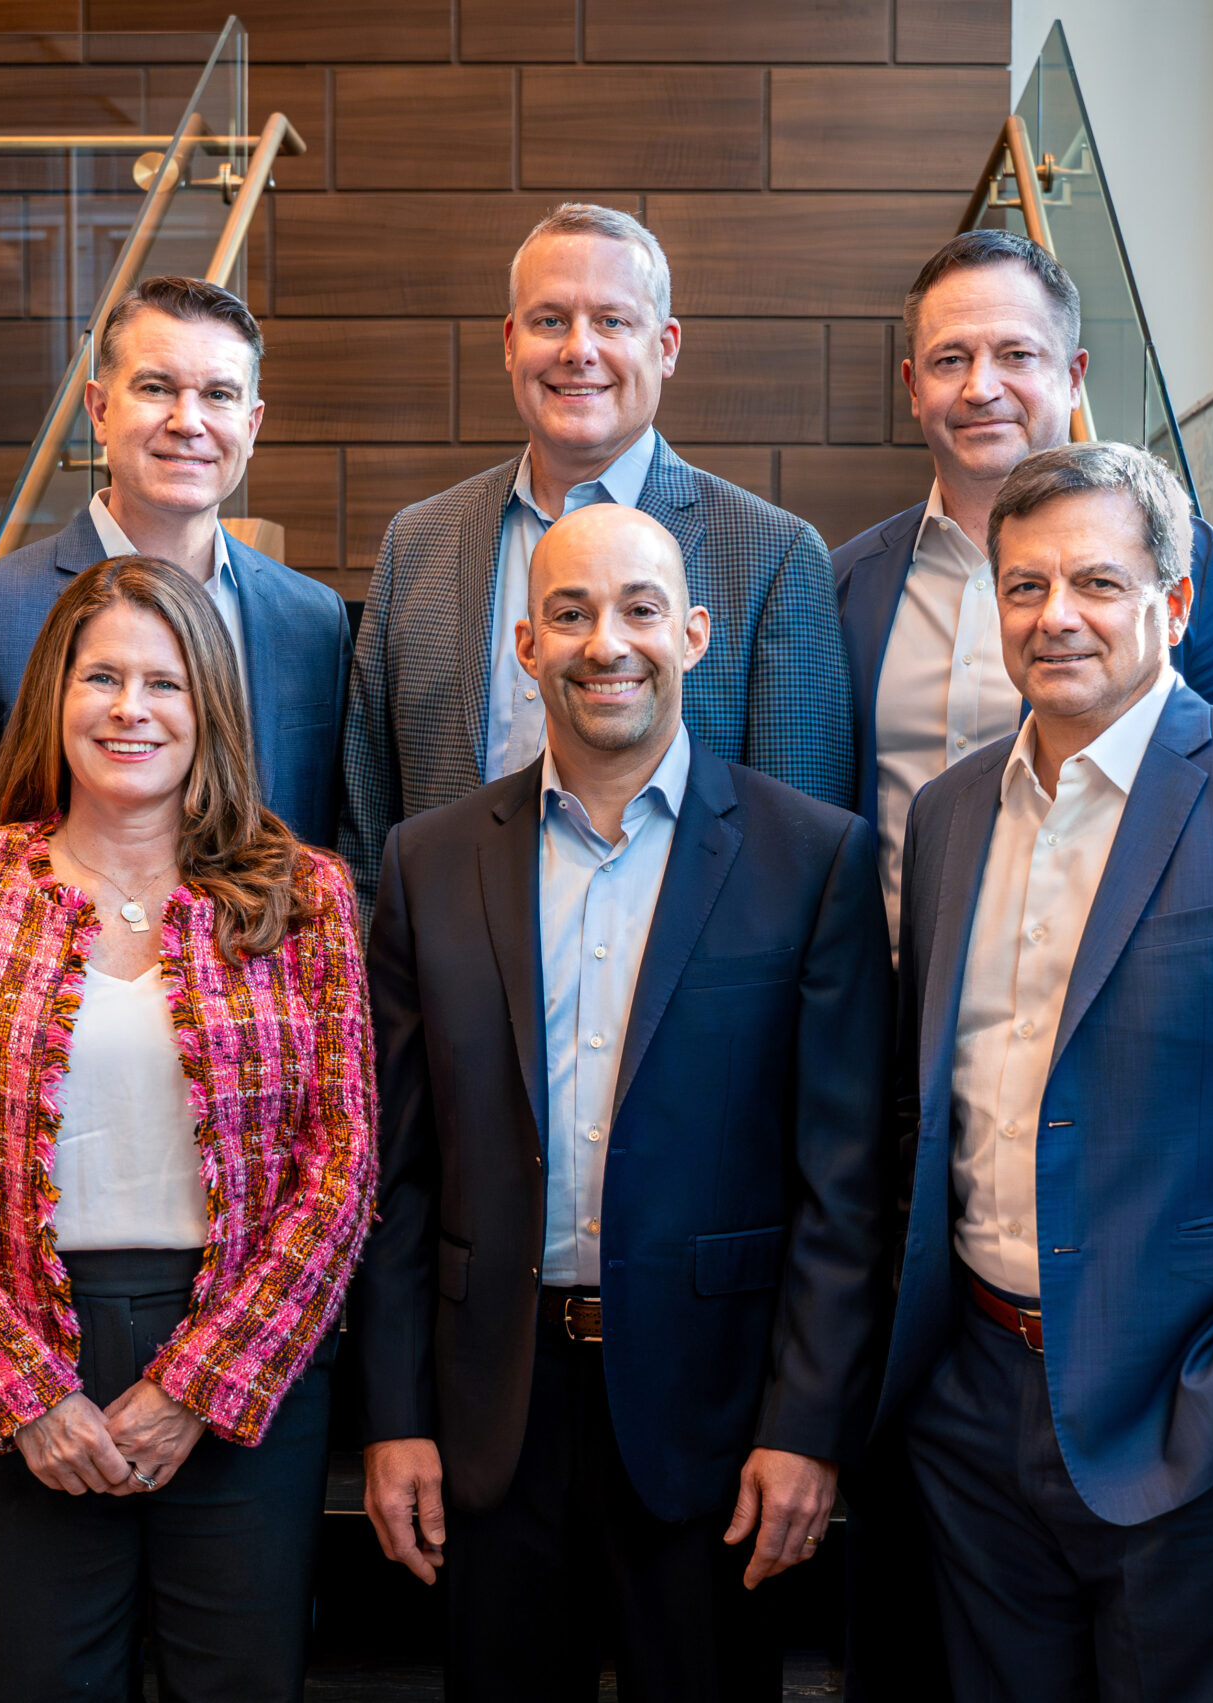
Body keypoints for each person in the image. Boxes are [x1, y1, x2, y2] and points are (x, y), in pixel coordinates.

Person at [878, 443, 1213, 1703]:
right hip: (969, 1390)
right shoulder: (953, 809)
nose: (1055, 616)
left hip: (1191, 1404)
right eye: (1023, 587)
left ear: (1172, 604)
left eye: (1097, 583)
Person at [348, 503, 889, 1700]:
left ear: (693, 632)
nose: (609, 642)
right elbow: (393, 1178)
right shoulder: (424, 863)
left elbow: (842, 1187)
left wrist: (806, 1425)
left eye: (641, 609)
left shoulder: (813, 857)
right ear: (525, 646)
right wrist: (392, 1416)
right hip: (494, 1404)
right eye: (571, 612)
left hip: (714, 1409)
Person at [0, 556, 377, 1703]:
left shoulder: (306, 894)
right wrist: (22, 1391)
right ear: (54, 694)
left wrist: (200, 1381)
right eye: (102, 677)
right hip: (19, 1353)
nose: (131, 708)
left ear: (211, 710)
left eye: (165, 681)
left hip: (245, 1362)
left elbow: (339, 1170)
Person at [338, 202, 854, 911]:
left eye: (612, 321)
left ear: (666, 346)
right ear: (511, 342)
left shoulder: (772, 555)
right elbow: (367, 843)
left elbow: (802, 862)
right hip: (451, 1008)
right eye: (550, 320)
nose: (578, 349)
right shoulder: (418, 544)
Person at [831, 228, 1213, 941]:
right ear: (914, 386)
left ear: (1074, 374)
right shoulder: (844, 585)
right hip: (897, 1019)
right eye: (950, 359)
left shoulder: (1196, 570)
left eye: (1016, 354)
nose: (981, 387)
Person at [0, 276, 350, 861]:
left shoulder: (311, 618)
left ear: (252, 426)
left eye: (219, 395)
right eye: (157, 388)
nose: (189, 421)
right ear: (100, 411)